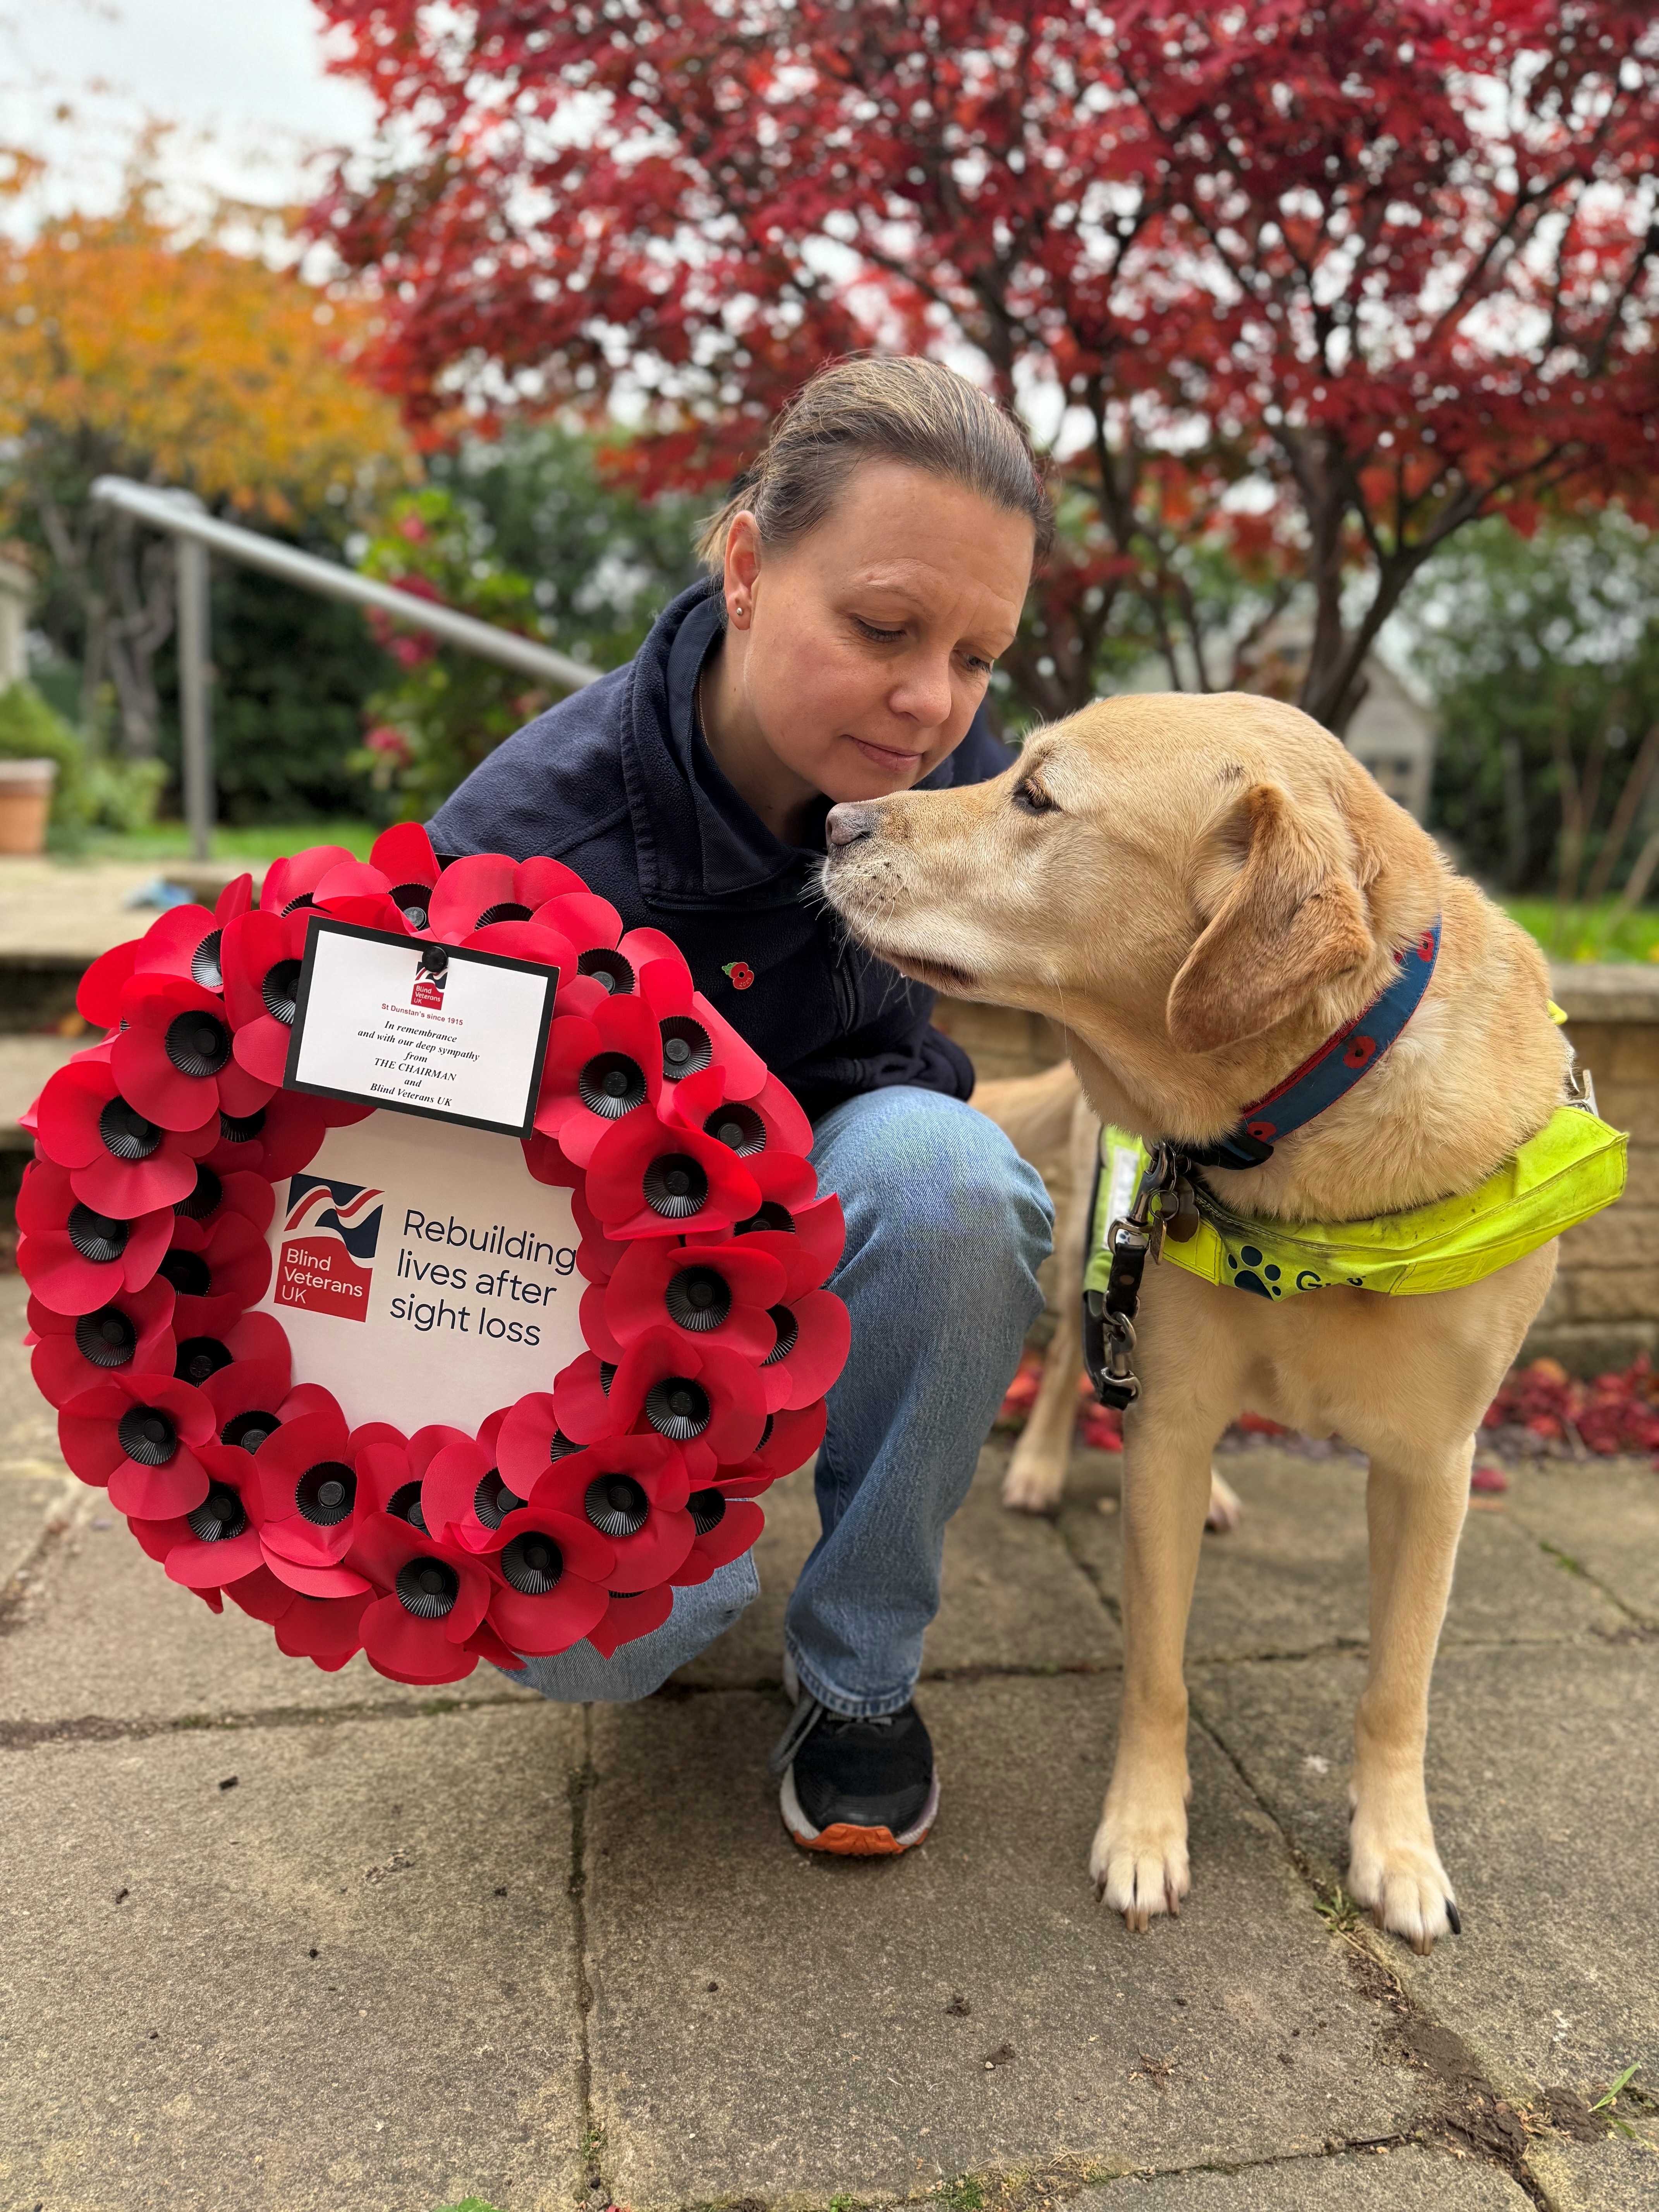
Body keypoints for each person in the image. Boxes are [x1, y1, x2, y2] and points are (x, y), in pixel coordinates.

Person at [429, 356, 1055, 1854]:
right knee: (601, 1645)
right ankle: (689, 1552)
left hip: (837, 1172)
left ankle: (859, 1673)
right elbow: (411, 1214)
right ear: (748, 567)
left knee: (953, 1185)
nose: (931, 704)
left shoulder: (947, 779)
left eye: (979, 655)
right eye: (885, 629)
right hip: (587, 1283)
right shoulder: (518, 854)